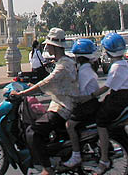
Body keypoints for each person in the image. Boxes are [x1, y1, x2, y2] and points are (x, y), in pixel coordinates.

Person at [11, 27, 79, 175]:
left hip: (63, 107)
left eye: (48, 44)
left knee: (32, 131)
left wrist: (22, 93)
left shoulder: (62, 66)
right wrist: (31, 86)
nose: (46, 47)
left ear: (54, 46)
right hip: (60, 102)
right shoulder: (65, 61)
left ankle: (47, 168)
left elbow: (46, 83)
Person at [84, 32, 128, 175]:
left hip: (115, 102)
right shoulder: (124, 64)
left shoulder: (116, 67)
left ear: (107, 51)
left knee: (100, 122)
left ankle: (104, 158)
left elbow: (106, 87)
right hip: (122, 99)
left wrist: (90, 95)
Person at [61, 39, 100, 169]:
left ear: (79, 57)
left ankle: (76, 155)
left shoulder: (84, 72)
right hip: (92, 102)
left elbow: (80, 93)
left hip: (87, 105)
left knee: (69, 125)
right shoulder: (87, 68)